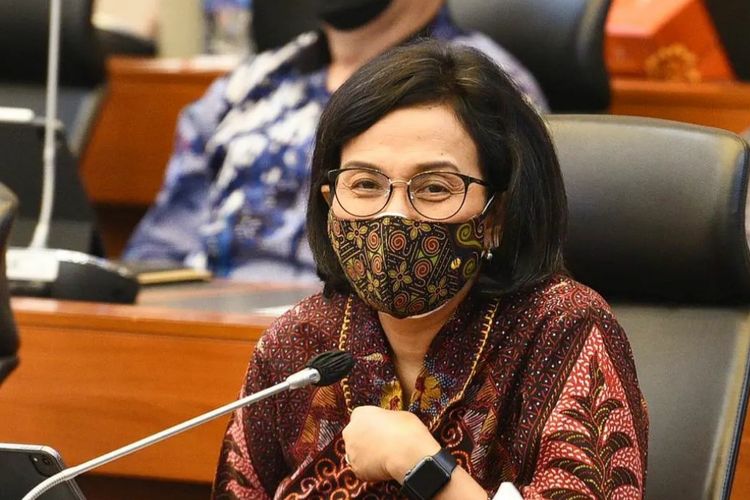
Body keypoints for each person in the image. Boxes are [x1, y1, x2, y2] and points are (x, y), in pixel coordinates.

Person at [212, 41, 648, 499]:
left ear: (496, 216)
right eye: (364, 184)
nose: (394, 215)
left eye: (434, 187)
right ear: (330, 203)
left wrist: (417, 462)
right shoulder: (298, 347)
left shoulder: (561, 331)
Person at [122, 0, 546, 283]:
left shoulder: (483, 90)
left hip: (364, 348)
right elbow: (157, 255)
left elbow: (502, 266)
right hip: (203, 335)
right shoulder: (246, 87)